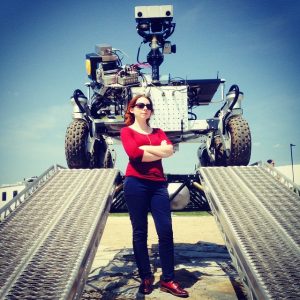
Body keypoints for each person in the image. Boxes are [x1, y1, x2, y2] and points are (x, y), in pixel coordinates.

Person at [120, 94, 189, 298]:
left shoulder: (159, 132)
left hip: (158, 185)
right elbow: (134, 154)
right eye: (140, 105)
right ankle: (146, 277)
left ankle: (168, 279)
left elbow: (169, 151)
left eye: (148, 106)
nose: (145, 108)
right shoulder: (126, 131)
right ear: (132, 109)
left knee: (166, 231)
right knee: (140, 233)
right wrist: (158, 150)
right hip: (135, 184)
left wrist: (147, 149)